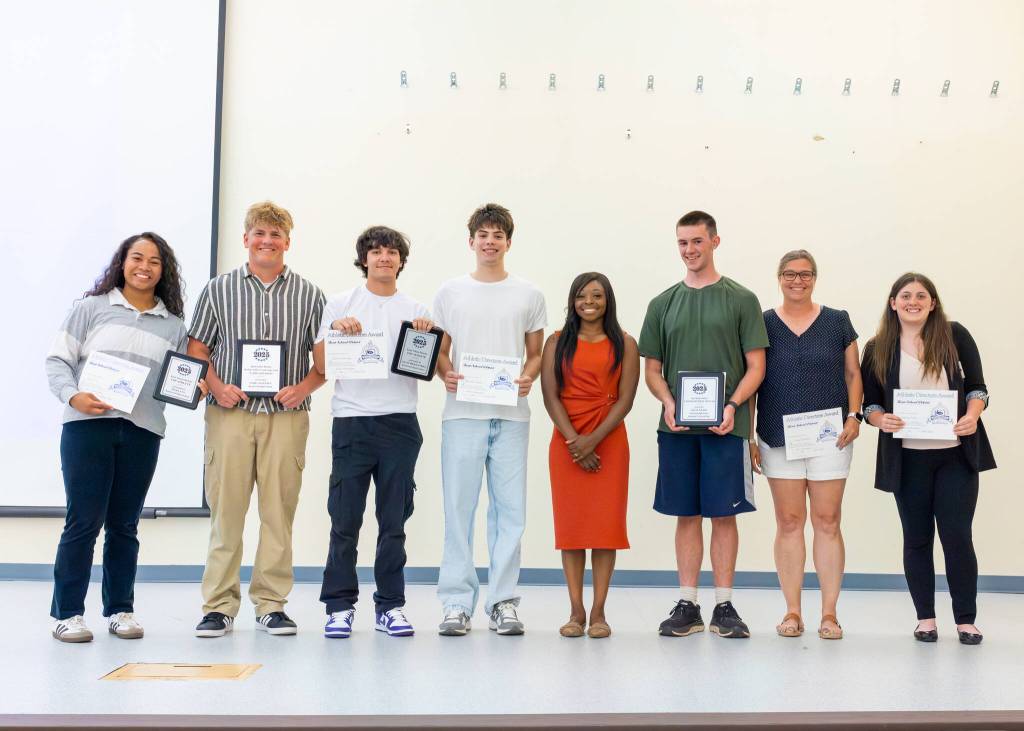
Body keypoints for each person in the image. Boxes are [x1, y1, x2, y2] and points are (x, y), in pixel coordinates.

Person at [46, 233, 202, 642]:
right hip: (87, 428)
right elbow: (57, 360)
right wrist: (73, 395)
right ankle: (68, 614)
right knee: (82, 522)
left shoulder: (174, 326)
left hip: (142, 431)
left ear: (163, 271)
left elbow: (179, 380)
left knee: (125, 526)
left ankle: (120, 611)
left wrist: (196, 386)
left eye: (154, 261)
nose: (144, 267)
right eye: (137, 258)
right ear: (122, 262)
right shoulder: (91, 308)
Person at [188, 201, 326, 637]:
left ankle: (271, 603)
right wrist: (215, 384)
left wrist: (303, 388)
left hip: (287, 418)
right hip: (230, 415)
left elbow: (323, 362)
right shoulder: (218, 289)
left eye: (276, 234)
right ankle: (218, 606)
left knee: (278, 514)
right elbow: (197, 350)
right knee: (226, 512)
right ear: (245, 238)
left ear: (288, 241)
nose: (267, 241)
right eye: (260, 233)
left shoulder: (311, 294)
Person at [638, 210, 768, 639]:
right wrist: (668, 402)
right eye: (682, 242)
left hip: (726, 428)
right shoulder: (662, 303)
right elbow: (652, 371)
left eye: (697, 241)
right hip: (676, 430)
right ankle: (688, 603)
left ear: (714, 242)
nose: (689, 250)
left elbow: (756, 368)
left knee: (724, 516)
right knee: (686, 515)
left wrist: (732, 405)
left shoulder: (741, 299)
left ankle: (724, 605)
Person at [312, 226, 435, 639]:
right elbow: (323, 366)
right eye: (376, 251)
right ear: (364, 258)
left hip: (400, 422)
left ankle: (390, 607)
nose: (384, 257)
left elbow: (427, 369)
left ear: (401, 260)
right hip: (352, 421)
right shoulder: (341, 304)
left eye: (392, 252)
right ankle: (339, 606)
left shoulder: (416, 308)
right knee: (344, 519)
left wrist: (424, 335)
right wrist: (337, 334)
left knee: (394, 521)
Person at [861, 273, 995, 645]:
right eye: (905, 295)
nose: (913, 301)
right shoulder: (877, 347)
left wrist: (972, 414)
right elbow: (869, 403)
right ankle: (926, 619)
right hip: (907, 461)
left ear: (933, 303)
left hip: (955, 457)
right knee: (917, 539)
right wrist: (878, 418)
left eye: (922, 295)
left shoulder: (955, 336)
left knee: (957, 537)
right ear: (893, 302)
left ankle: (966, 620)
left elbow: (979, 387)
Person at [433, 203, 547, 636]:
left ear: (508, 242)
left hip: (512, 417)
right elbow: (441, 353)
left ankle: (503, 602)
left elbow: (534, 354)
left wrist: (528, 378)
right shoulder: (450, 292)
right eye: (482, 234)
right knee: (458, 511)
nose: (490, 242)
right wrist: (448, 375)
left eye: (498, 235)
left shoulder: (529, 294)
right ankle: (456, 604)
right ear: (471, 241)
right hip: (462, 415)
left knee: (510, 514)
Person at [749, 250, 862, 640]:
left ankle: (829, 614)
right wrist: (749, 436)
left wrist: (855, 416)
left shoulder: (837, 321)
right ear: (778, 277)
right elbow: (752, 381)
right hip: (777, 438)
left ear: (815, 278)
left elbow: (852, 373)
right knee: (789, 522)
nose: (797, 281)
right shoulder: (762, 323)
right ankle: (792, 611)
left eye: (805, 274)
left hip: (831, 437)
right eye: (789, 274)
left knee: (828, 522)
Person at [541, 273, 639, 639]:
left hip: (609, 440)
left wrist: (593, 440)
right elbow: (550, 396)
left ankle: (599, 611)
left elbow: (626, 399)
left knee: (605, 529)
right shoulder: (556, 342)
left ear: (608, 300)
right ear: (573, 300)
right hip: (566, 440)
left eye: (597, 295)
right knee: (571, 530)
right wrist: (574, 441)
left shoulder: (626, 343)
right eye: (582, 296)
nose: (589, 302)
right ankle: (575, 610)